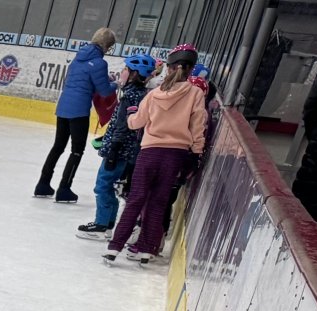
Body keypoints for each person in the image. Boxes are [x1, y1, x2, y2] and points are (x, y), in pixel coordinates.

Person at [105, 46, 207, 264]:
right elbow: (198, 126)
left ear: (168, 68)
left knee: (136, 199)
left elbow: (136, 123)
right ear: (190, 70)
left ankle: (115, 247)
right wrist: (196, 153)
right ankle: (147, 250)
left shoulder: (154, 94)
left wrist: (131, 115)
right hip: (175, 155)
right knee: (159, 202)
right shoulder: (195, 94)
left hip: (149, 153)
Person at [79, 52, 156, 238]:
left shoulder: (130, 96)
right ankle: (107, 224)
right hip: (126, 149)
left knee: (103, 185)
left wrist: (113, 149)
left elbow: (123, 126)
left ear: (134, 74)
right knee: (108, 185)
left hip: (119, 150)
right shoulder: (141, 95)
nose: (122, 72)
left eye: (126, 69)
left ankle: (101, 225)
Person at [38, 27, 118, 203]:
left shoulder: (79, 57)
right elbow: (104, 91)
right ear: (108, 45)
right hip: (79, 110)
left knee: (58, 146)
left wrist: (105, 81)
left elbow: (81, 80)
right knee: (77, 150)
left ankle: (42, 184)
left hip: (63, 106)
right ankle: (64, 188)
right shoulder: (99, 63)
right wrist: (117, 83)